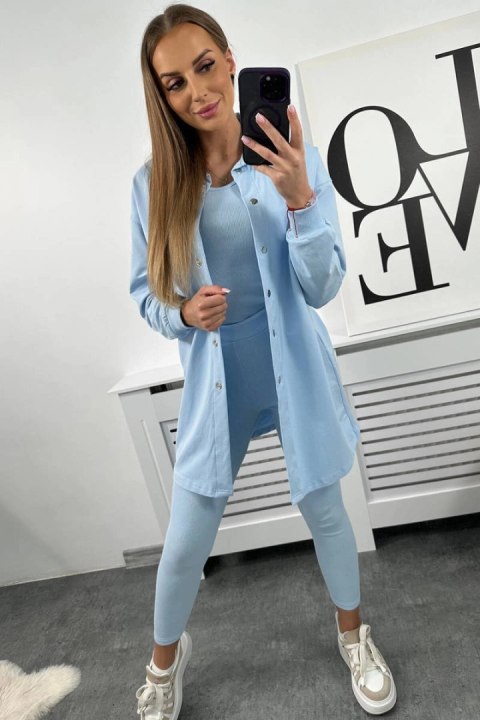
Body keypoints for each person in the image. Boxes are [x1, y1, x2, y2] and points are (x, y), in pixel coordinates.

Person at [129, 4, 397, 719]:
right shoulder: (152, 185)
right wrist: (183, 315)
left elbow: (322, 286)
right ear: (163, 96)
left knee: (326, 509)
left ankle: (354, 635)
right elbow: (146, 296)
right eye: (175, 83)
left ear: (230, 60)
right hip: (218, 382)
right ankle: (163, 665)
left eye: (205, 66)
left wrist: (300, 198)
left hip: (293, 366)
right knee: (185, 542)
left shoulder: (292, 156)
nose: (197, 91)